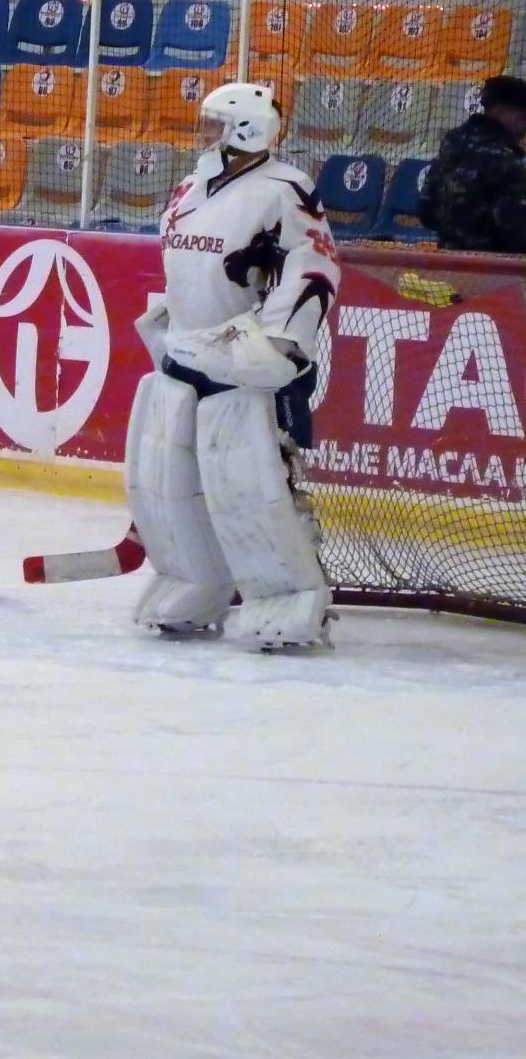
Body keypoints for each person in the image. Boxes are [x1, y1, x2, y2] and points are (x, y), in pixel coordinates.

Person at [128, 81, 341, 651]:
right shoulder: (191, 186)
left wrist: (281, 340)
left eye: (214, 122)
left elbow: (313, 266)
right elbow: (188, 269)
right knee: (166, 482)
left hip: (241, 360)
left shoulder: (285, 189)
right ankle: (193, 582)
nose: (203, 133)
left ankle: (289, 598)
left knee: (248, 486)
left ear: (246, 128)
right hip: (185, 351)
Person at [419, 74, 526, 254]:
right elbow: (516, 234)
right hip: (492, 265)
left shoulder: (452, 146)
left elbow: (426, 212)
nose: (525, 127)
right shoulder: (505, 161)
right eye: (522, 118)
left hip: (445, 260)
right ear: (500, 112)